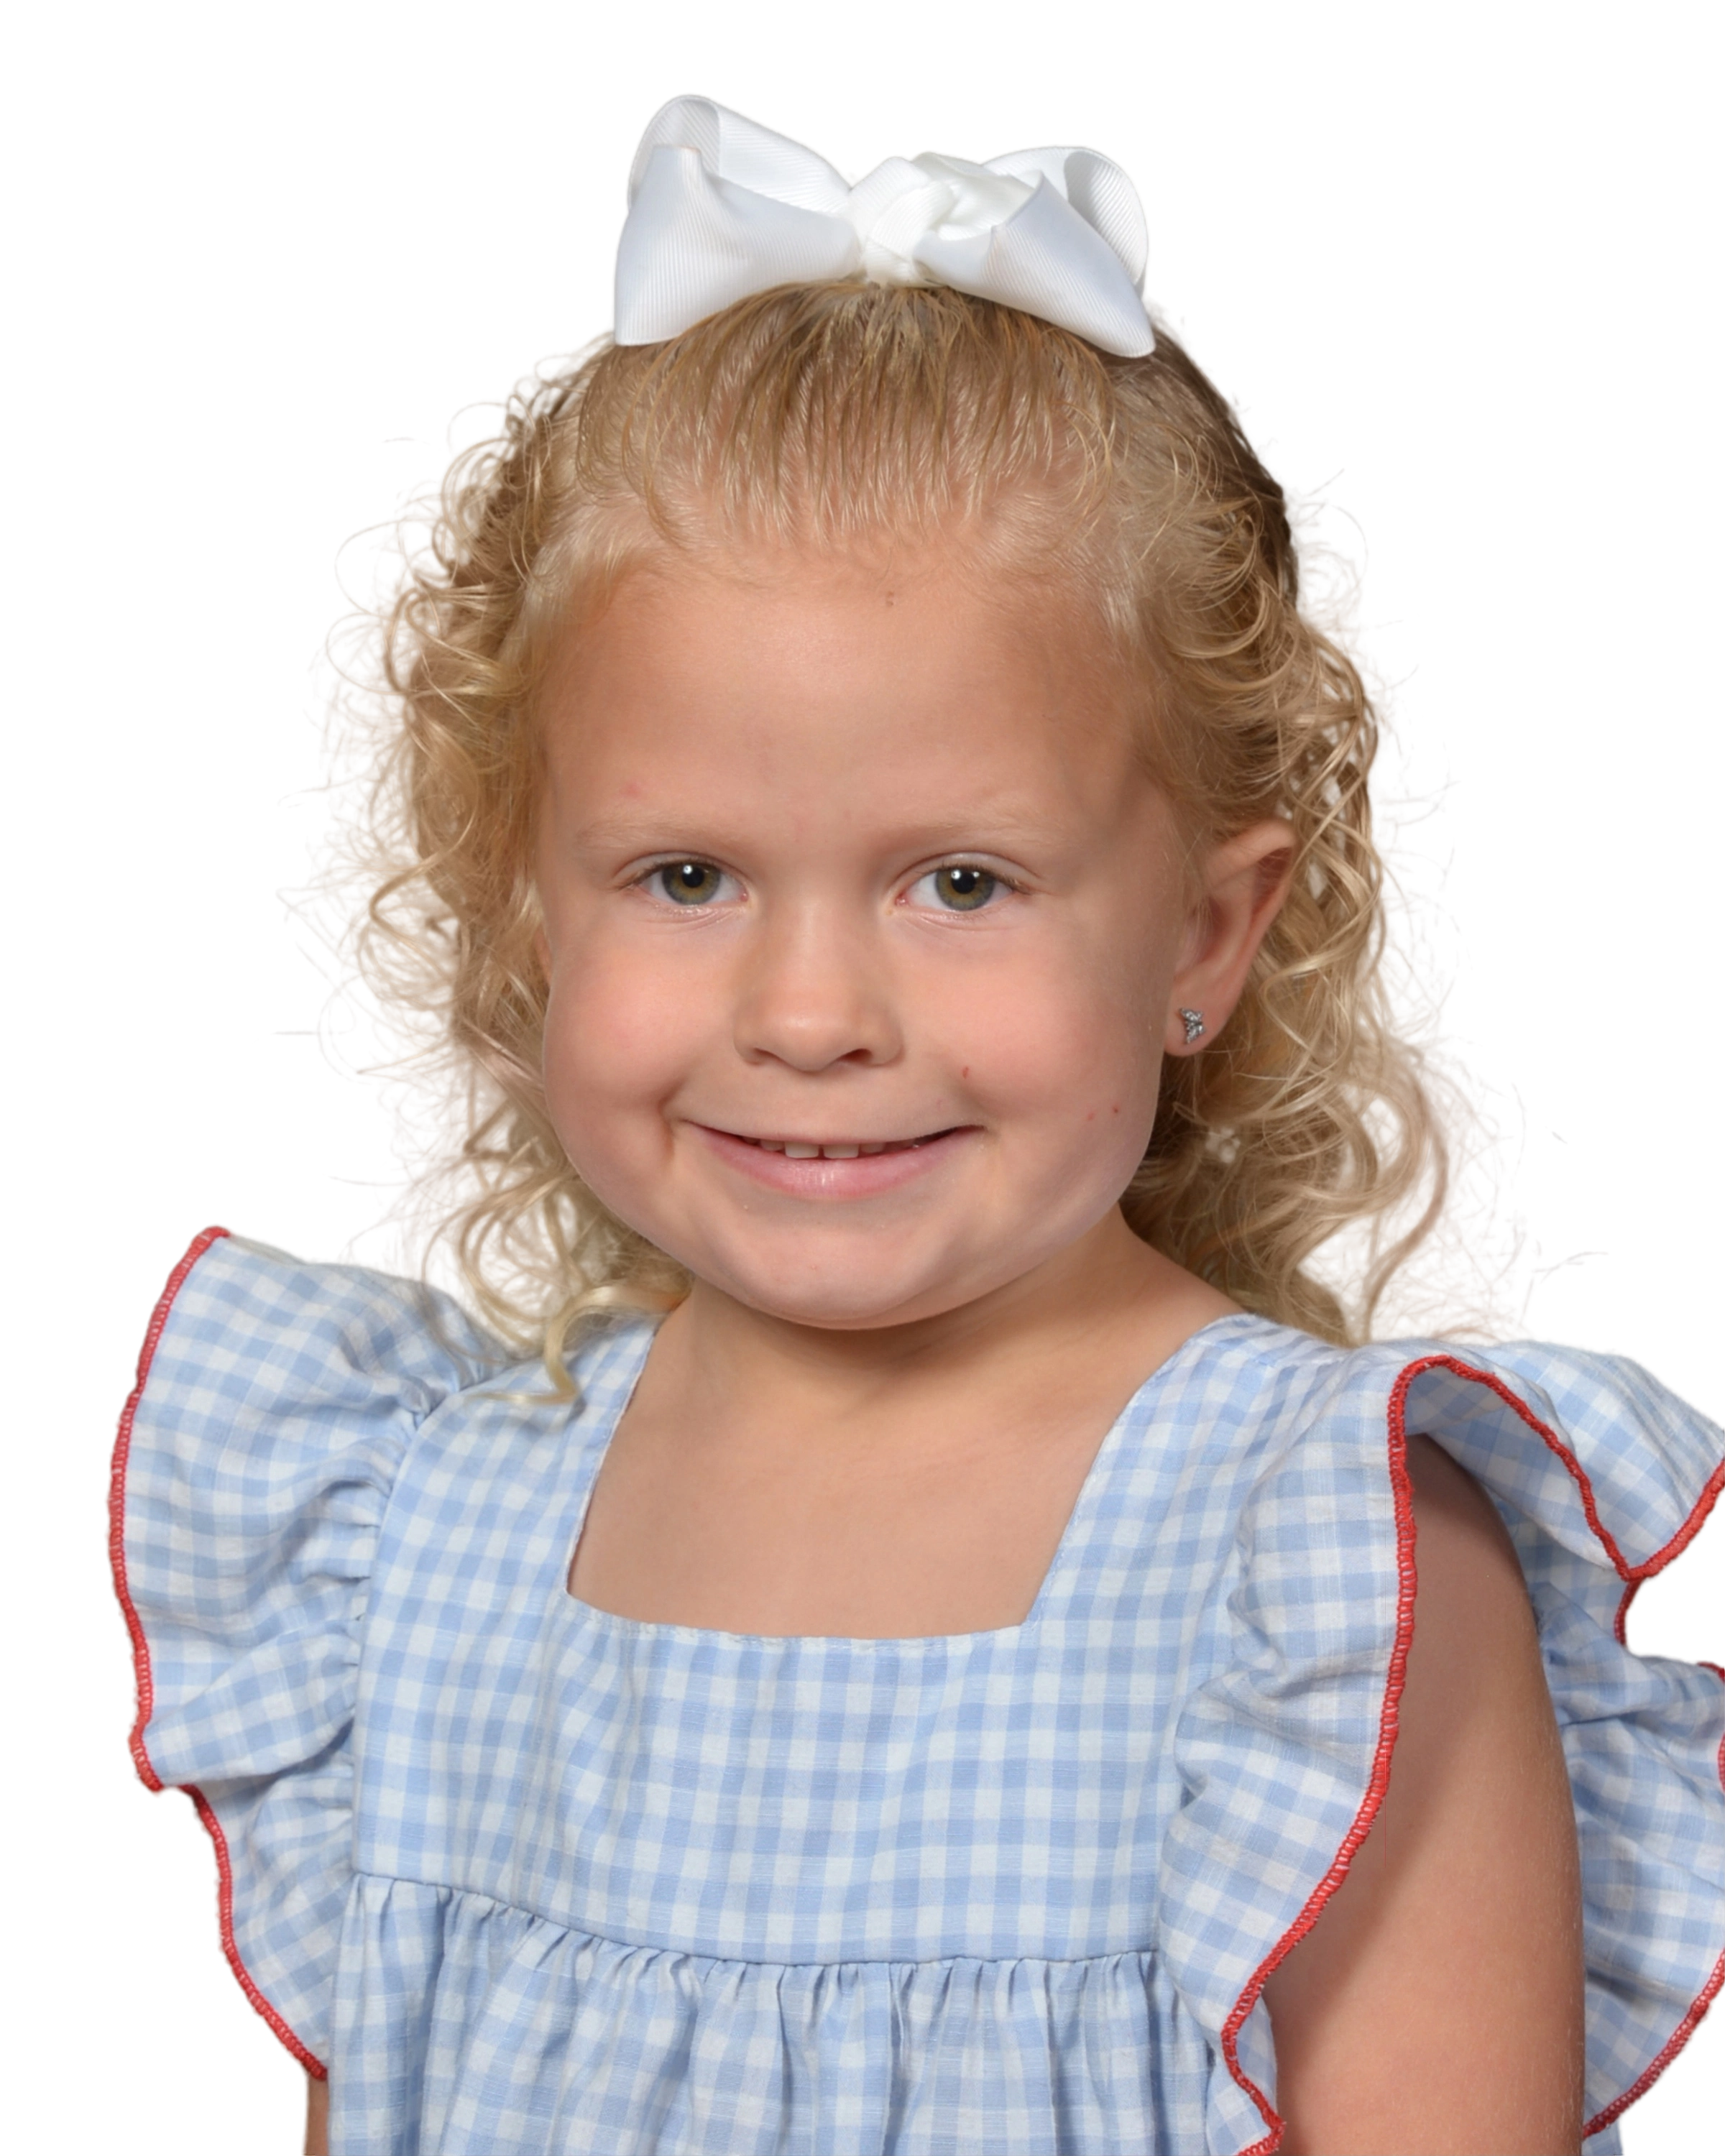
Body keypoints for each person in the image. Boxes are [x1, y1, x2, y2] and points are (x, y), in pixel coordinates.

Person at [104, 93, 1725, 2156]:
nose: (809, 1018)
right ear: (526, 909)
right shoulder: (407, 1539)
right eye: (687, 875)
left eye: (961, 882)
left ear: (1206, 934)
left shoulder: (1323, 1572)